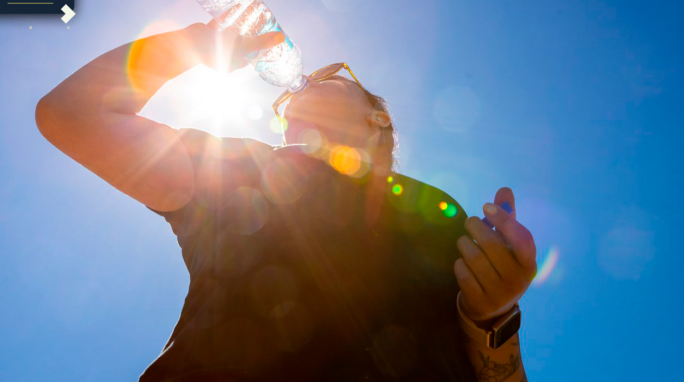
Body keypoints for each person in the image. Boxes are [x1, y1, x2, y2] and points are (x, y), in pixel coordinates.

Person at [36, 20, 538, 382]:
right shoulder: (244, 169)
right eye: (281, 112)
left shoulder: (436, 210)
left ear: (377, 118)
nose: (297, 92)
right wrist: (187, 48)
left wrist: (493, 315)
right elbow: (71, 115)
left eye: (328, 77)